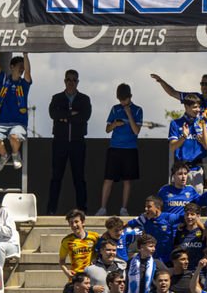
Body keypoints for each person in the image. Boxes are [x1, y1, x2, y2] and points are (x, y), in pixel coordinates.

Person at [48, 69, 92, 215]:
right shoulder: (57, 98)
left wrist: (65, 117)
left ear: (77, 82)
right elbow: (53, 114)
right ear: (65, 81)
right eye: (68, 80)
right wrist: (70, 114)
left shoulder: (84, 99)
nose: (71, 82)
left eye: (74, 80)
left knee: (79, 178)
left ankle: (82, 210)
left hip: (77, 142)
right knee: (56, 178)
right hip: (60, 142)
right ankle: (51, 210)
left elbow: (84, 116)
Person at [98, 83, 142, 217]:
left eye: (125, 99)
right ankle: (103, 208)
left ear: (130, 97)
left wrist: (129, 114)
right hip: (115, 148)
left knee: (127, 180)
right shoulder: (115, 109)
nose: (122, 102)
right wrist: (115, 124)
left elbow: (136, 131)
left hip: (130, 149)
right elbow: (107, 129)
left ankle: (124, 208)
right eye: (120, 99)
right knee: (108, 179)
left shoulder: (138, 110)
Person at [0, 52, 29, 172]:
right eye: (19, 66)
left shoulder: (24, 83)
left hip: (18, 123)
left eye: (23, 66)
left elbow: (28, 72)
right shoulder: (3, 80)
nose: (22, 69)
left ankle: (16, 154)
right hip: (2, 123)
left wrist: (25, 54)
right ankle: (4, 155)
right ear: (11, 67)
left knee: (13, 136)